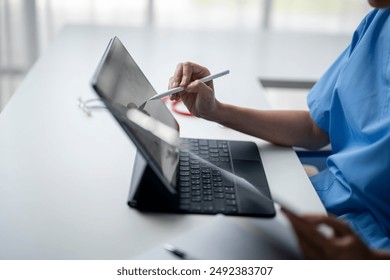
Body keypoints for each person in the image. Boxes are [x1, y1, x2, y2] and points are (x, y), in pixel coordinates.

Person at [167, 0, 390, 256]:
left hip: (369, 244)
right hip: (319, 205)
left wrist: (371, 261)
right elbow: (314, 128)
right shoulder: (378, 21)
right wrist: (216, 110)